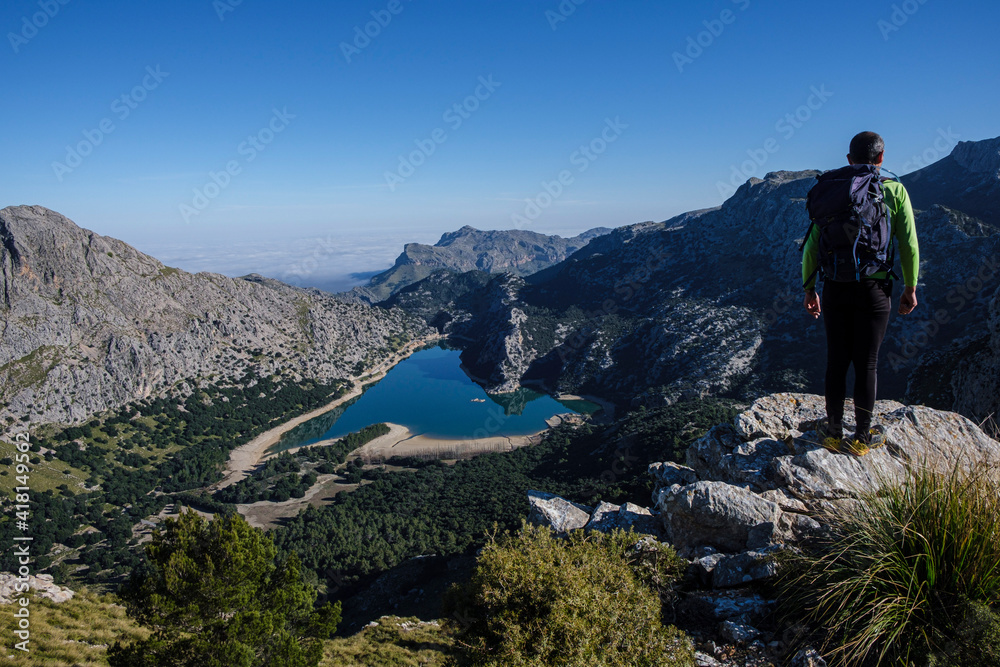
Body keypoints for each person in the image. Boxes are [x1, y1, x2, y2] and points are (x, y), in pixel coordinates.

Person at [802, 131, 919, 454]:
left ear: (849, 160)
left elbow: (811, 247)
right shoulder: (893, 190)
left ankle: (833, 433)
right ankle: (862, 439)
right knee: (867, 363)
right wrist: (911, 287)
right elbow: (908, 244)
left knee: (837, 360)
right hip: (874, 288)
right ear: (881, 158)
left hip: (835, 286)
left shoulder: (833, 192)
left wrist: (809, 289)